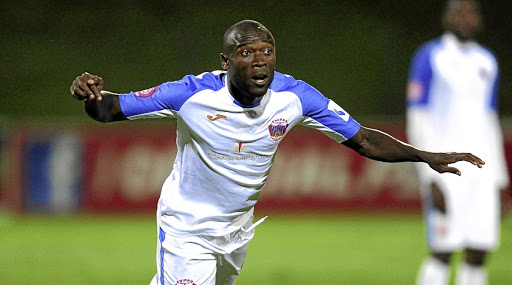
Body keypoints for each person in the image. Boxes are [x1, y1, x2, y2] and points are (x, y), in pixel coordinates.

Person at [71, 19, 485, 285]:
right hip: (187, 227)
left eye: (266, 51)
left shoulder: (295, 96)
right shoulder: (192, 94)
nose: (259, 61)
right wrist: (91, 95)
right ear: (225, 60)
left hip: (237, 229)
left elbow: (362, 139)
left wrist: (424, 155)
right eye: (246, 52)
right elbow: (110, 108)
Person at [406, 1, 510, 285]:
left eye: (471, 12)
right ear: (446, 18)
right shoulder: (430, 56)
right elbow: (418, 119)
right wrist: (429, 176)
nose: (465, 18)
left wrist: (500, 180)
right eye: (458, 12)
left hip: (483, 173)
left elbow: (490, 122)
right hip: (447, 169)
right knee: (442, 250)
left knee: (479, 251)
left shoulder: (487, 61)